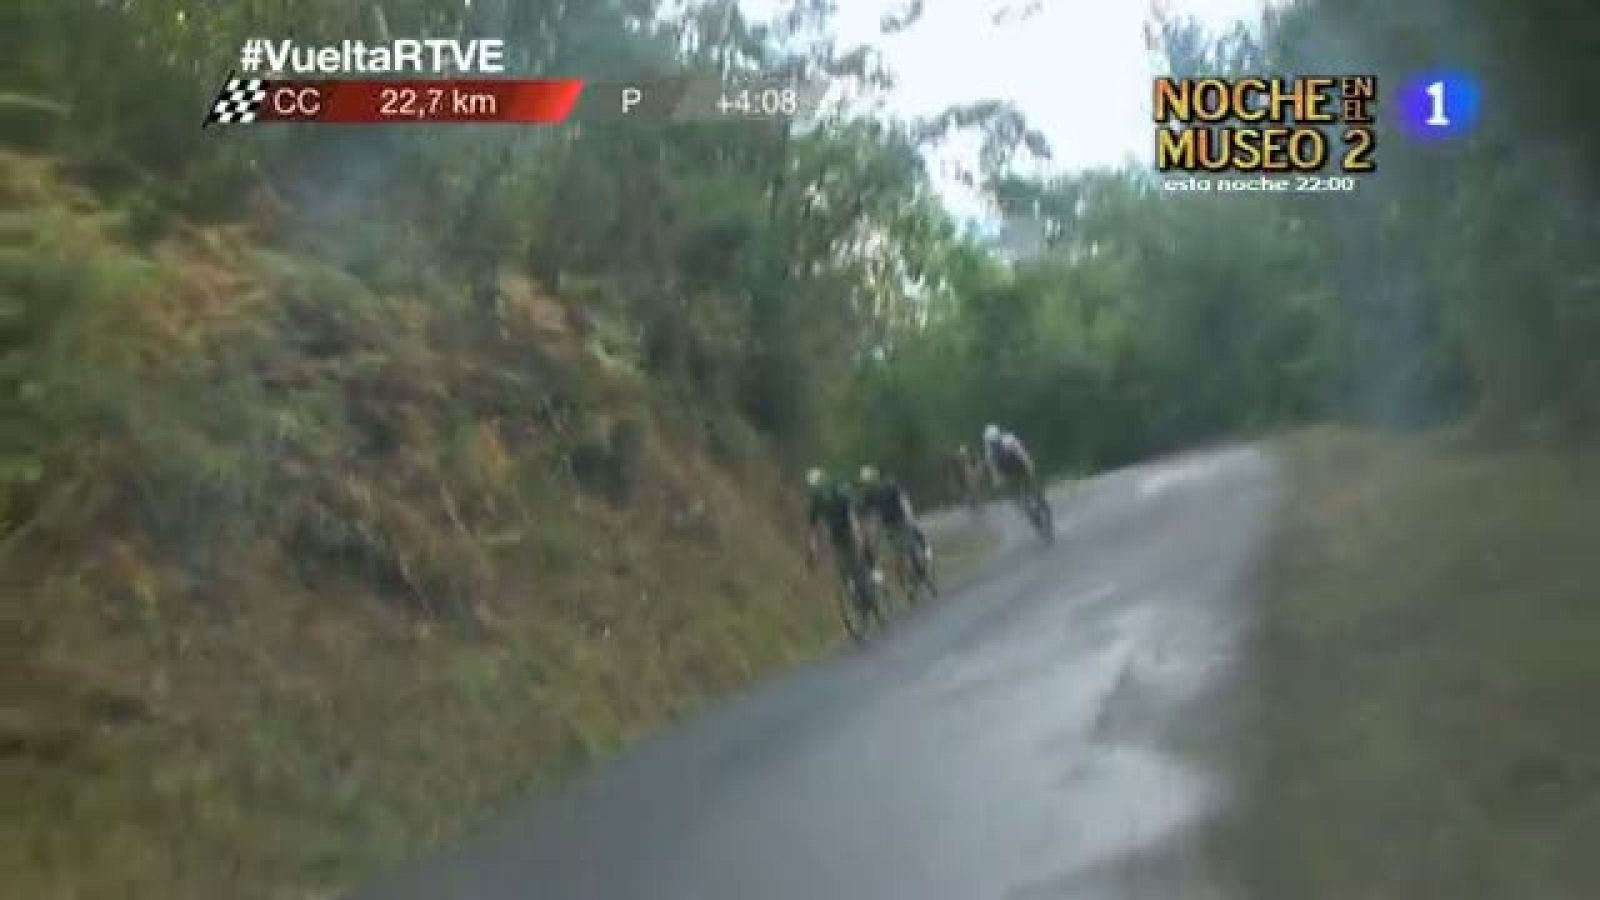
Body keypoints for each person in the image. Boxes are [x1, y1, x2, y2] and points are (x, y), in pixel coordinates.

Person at [855, 465, 931, 584]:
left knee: (910, 543)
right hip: (888, 524)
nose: (868, 483)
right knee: (899, 550)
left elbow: (903, 499)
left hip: (901, 518)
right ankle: (906, 576)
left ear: (875, 477)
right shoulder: (869, 494)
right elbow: (869, 512)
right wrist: (871, 529)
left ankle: (923, 561)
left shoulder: (890, 485)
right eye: (866, 482)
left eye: (869, 480)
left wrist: (909, 514)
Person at [805, 467, 872, 596]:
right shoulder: (816, 501)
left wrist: (856, 532)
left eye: (820, 484)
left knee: (859, 555)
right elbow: (813, 527)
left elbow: (850, 512)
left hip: (849, 526)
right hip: (835, 534)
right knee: (842, 567)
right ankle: (853, 591)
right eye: (816, 486)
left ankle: (870, 575)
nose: (819, 488)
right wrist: (813, 549)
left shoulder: (839, 492)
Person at [982, 423, 1039, 497]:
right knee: (1013, 478)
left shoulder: (1008, 440)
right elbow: (993, 468)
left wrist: (1028, 463)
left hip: (1015, 462)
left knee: (1028, 475)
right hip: (1009, 466)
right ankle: (1019, 492)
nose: (995, 444)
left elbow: (1021, 452)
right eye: (992, 443)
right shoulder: (990, 452)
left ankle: (1035, 490)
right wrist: (997, 479)